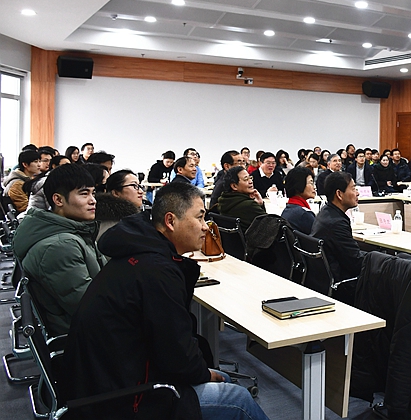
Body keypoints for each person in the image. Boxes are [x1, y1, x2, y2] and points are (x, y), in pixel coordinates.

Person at [61, 182, 270, 420]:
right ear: (170, 221)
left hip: (111, 378)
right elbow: (176, 352)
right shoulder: (156, 271)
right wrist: (202, 373)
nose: (205, 228)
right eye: (200, 218)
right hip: (125, 397)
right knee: (238, 400)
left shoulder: (140, 254)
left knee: (223, 379)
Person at [12, 164, 105, 336]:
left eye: (93, 193)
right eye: (84, 194)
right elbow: (92, 308)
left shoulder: (72, 232)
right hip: (87, 338)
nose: (93, 200)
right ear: (58, 200)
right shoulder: (60, 246)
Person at [309, 172, 364, 298]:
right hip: (344, 285)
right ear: (339, 194)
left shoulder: (326, 212)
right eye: (353, 188)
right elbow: (356, 263)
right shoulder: (336, 223)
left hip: (323, 280)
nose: (357, 193)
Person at [96, 169, 143, 239]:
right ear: (116, 193)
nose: (141, 191)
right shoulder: (111, 222)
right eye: (134, 186)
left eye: (140, 186)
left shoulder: (132, 218)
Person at [217, 166, 266, 231]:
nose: (250, 181)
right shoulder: (249, 205)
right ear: (234, 186)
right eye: (246, 179)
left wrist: (260, 204)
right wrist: (260, 205)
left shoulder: (223, 201)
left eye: (250, 178)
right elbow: (270, 224)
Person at [281, 167, 317, 234]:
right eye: (311, 183)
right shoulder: (304, 214)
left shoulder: (290, 208)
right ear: (299, 185)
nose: (314, 187)